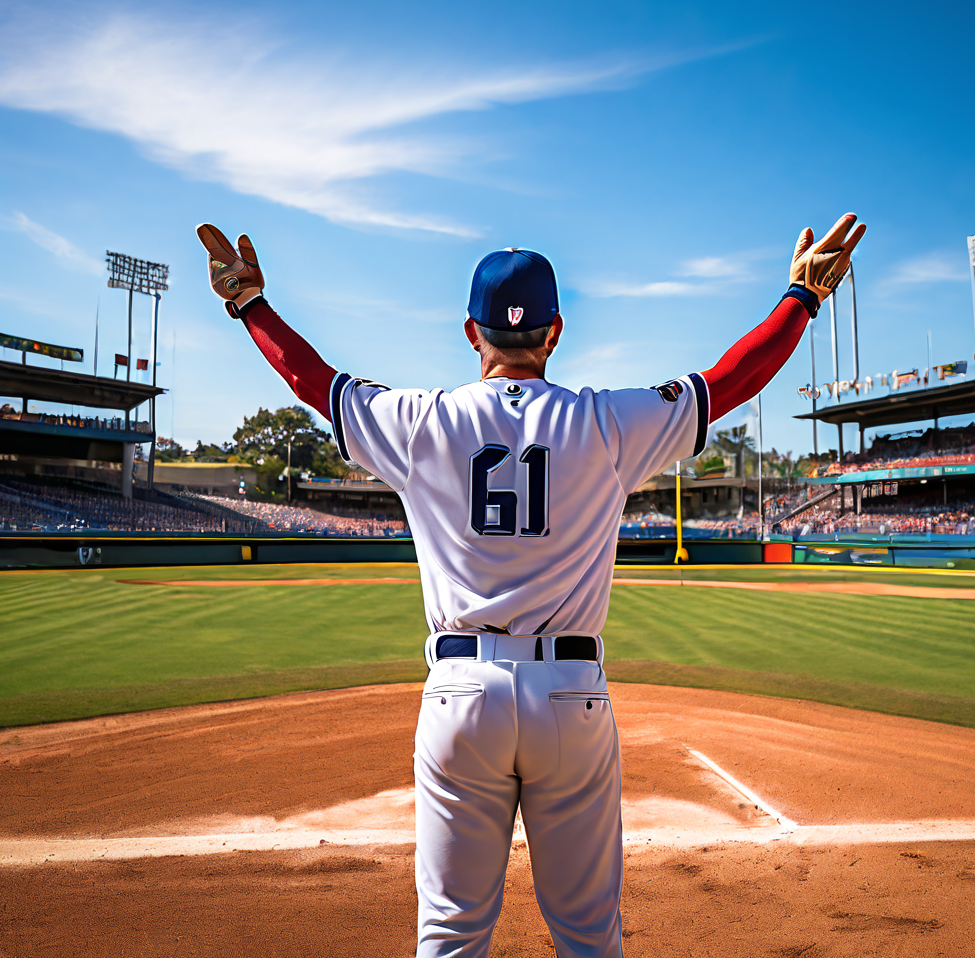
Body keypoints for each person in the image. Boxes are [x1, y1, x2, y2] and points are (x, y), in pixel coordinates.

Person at [197, 213, 864, 957]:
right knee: (588, 939)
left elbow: (313, 381)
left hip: (461, 694)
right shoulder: (608, 420)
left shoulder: (421, 422)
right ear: (555, 333)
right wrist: (799, 299)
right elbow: (729, 381)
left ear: (469, 332)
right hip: (571, 696)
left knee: (450, 935)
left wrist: (249, 304)